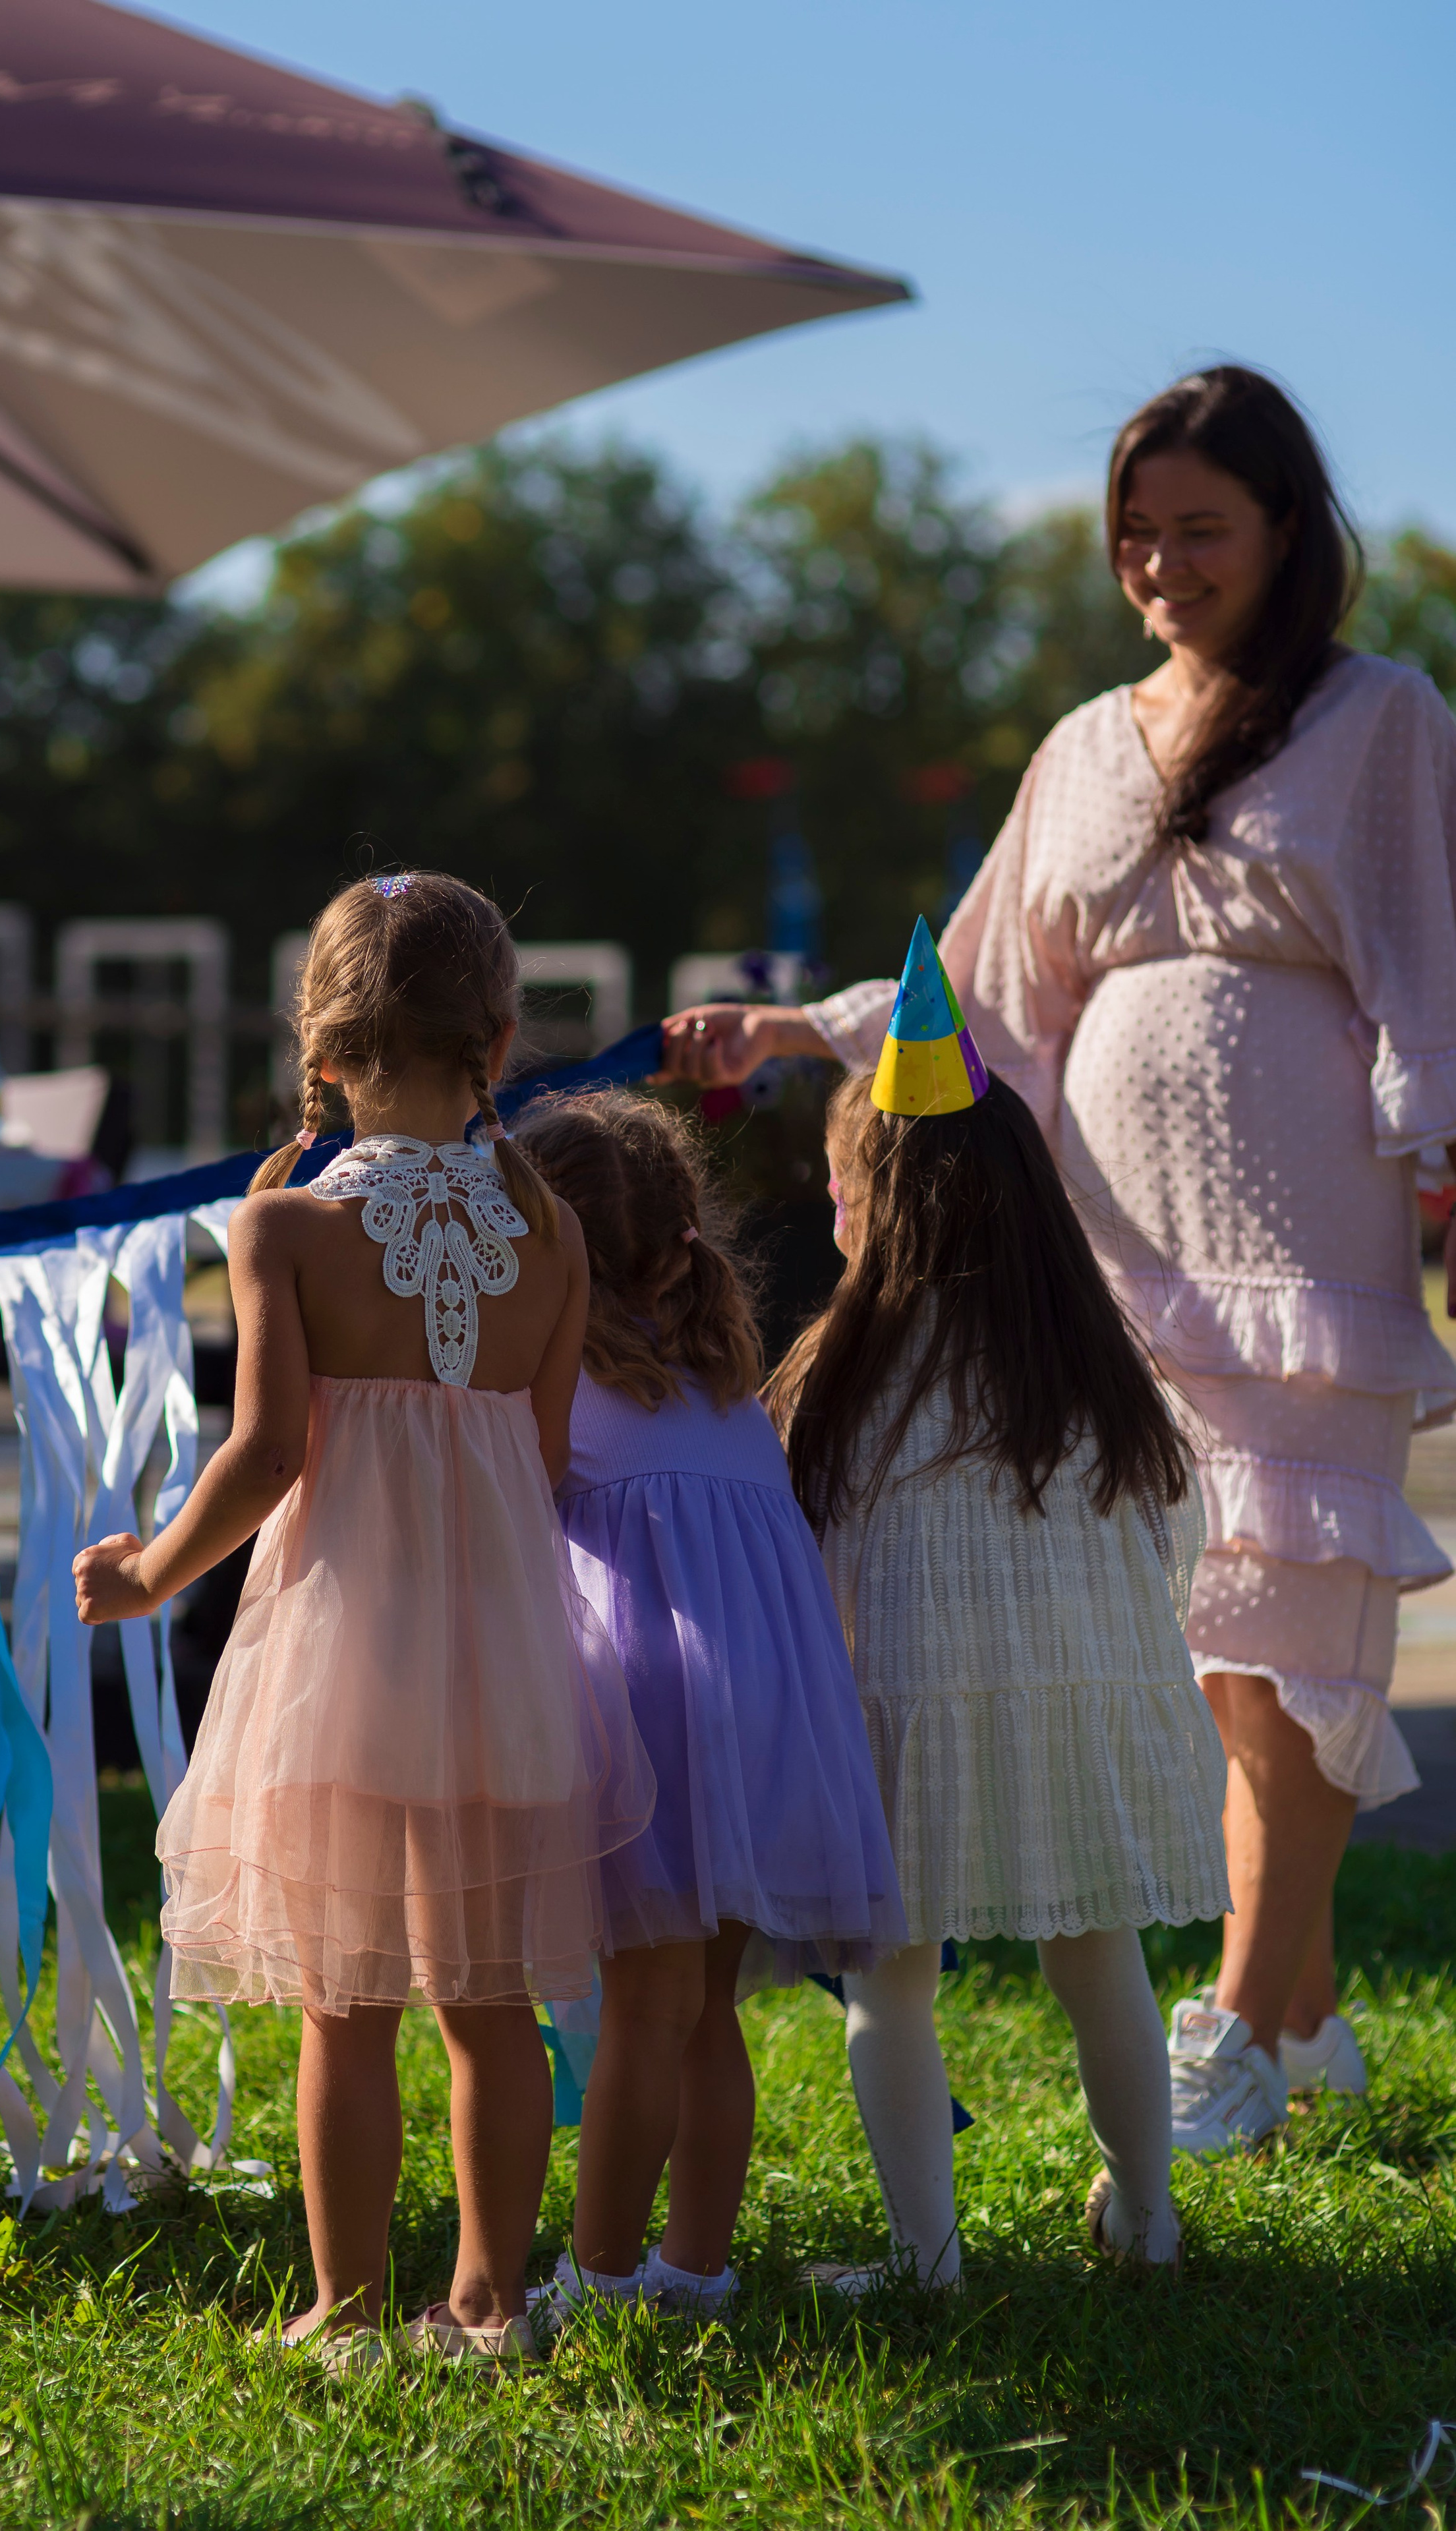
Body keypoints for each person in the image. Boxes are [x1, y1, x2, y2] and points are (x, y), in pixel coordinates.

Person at [665, 367, 1456, 2155]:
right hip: (1112, 1247)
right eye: (1136, 536)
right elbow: (985, 991)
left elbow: (1429, 960)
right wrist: (800, 1030)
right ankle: (1304, 2014)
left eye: (1202, 531)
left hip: (1302, 1232)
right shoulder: (1088, 744)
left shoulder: (1383, 718)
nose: (1163, 567)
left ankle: (1236, 2027)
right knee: (1193, 1622)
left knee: (1285, 1630)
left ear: (1287, 534)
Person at [73, 870, 653, 2373]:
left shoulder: (280, 1227)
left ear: (319, 1052)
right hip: (499, 1654)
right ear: (501, 1041)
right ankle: (492, 2302)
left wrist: (151, 1575)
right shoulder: (551, 1233)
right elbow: (541, 1461)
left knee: (346, 2002)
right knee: (488, 1998)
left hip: (343, 1657)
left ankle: (343, 2307)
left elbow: (267, 1454)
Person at [768, 930, 1227, 2286]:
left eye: (842, 1189)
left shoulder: (839, 1380)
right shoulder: (1095, 1373)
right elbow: (1172, 1536)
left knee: (888, 1984)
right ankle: (1145, 2222)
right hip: (1073, 1713)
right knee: (1100, 1959)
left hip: (901, 1730)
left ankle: (927, 2260)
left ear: (873, 1204)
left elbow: (802, 1570)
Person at [511, 1091, 903, 2323]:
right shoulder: (725, 1386)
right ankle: (695, 2269)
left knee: (642, 2009)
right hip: (768, 1714)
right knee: (701, 2015)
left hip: (650, 1715)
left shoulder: (557, 1388)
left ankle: (601, 2275)